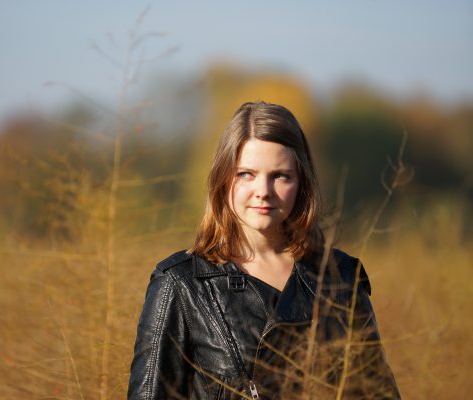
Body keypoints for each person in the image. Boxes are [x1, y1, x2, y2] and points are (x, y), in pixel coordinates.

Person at [127, 102, 400, 399]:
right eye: (246, 174)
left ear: (302, 183)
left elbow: (377, 393)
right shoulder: (181, 284)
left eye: (280, 176)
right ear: (223, 179)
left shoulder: (340, 278)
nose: (263, 191)